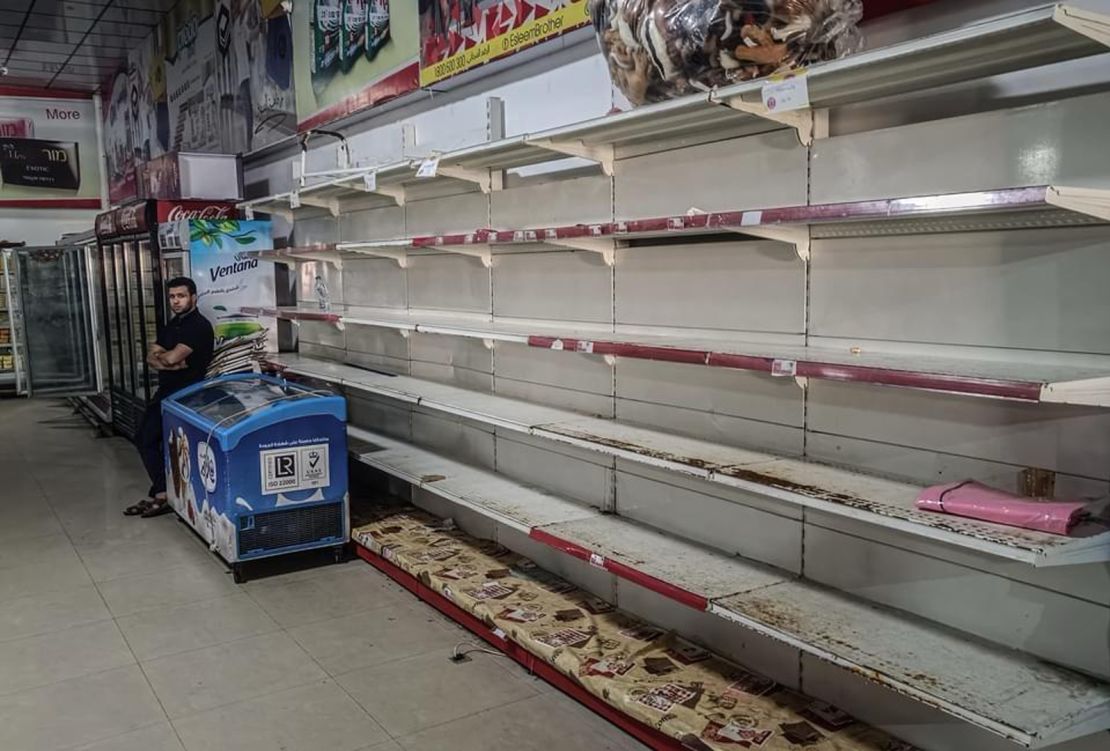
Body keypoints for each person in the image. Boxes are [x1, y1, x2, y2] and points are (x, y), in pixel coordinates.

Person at [124, 277, 214, 518]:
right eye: (172, 297)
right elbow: (152, 356)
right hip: (166, 394)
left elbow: (171, 358)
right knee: (148, 438)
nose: (176, 301)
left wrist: (167, 360)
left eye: (181, 296)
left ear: (193, 297)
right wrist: (168, 361)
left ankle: (163, 494)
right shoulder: (173, 325)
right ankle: (163, 491)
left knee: (150, 439)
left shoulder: (199, 326)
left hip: (187, 396)